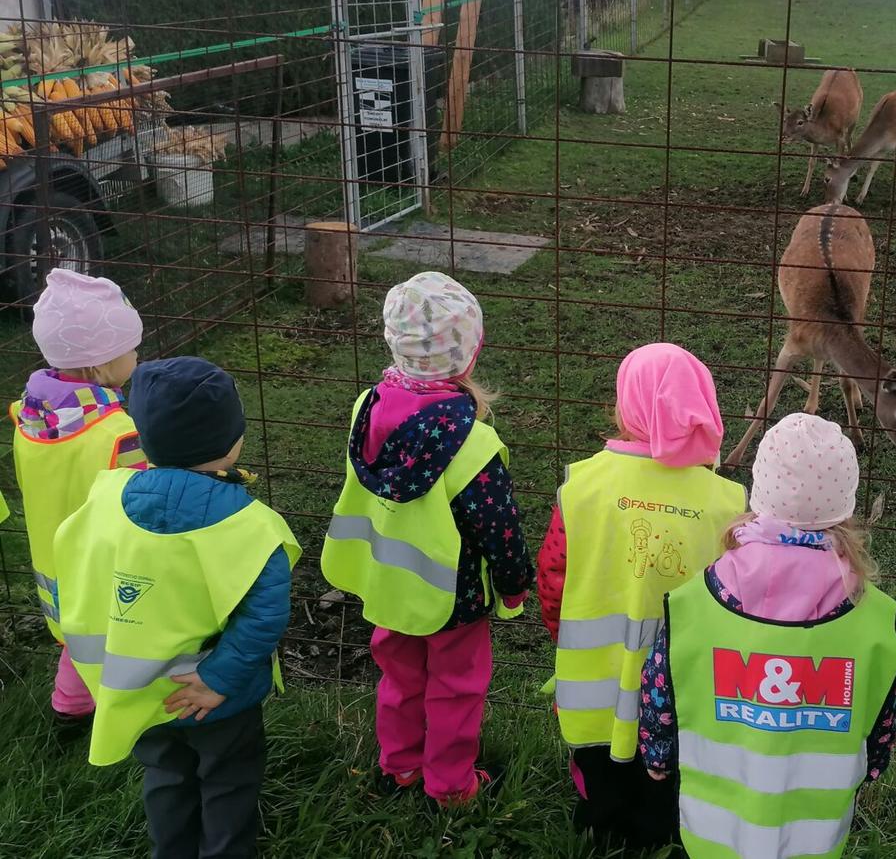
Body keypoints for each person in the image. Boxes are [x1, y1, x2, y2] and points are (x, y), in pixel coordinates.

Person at [53, 357, 300, 859]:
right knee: (228, 783)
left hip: (143, 692)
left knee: (165, 777)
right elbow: (264, 615)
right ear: (233, 442)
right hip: (220, 699)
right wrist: (217, 681)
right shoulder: (251, 525)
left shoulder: (102, 501)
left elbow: (79, 577)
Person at [640, 412, 896, 858]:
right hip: (813, 834)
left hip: (712, 829)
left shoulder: (693, 604)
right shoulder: (875, 619)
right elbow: (883, 715)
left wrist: (658, 756)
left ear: (759, 494)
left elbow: (659, 691)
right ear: (847, 506)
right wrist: (872, 767)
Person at [322, 272, 533, 805]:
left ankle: (400, 767)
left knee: (398, 677)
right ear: (470, 352)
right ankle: (450, 786)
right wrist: (514, 584)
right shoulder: (473, 442)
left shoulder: (365, 408)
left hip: (385, 584)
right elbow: (497, 525)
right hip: (452, 594)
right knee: (456, 689)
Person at [538, 342, 746, 850]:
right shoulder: (728, 502)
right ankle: (662, 831)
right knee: (670, 766)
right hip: (684, 679)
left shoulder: (583, 484)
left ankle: (598, 825)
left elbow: (553, 571)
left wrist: (559, 630)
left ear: (625, 404)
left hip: (597, 672)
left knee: (597, 754)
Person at [10, 269, 146, 724]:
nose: (137, 356)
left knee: (75, 638)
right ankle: (122, 713)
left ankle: (68, 707)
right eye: (131, 349)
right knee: (108, 638)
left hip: (51, 559)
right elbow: (141, 497)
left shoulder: (28, 421)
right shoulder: (118, 434)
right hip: (103, 564)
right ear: (99, 367)